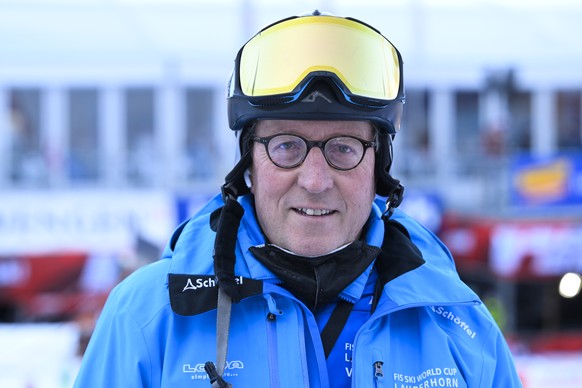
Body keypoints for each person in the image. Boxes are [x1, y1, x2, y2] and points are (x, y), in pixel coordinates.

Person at [74, 11, 522, 388]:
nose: (314, 180)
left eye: (344, 147)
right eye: (286, 146)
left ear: (379, 167)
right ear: (248, 162)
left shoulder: (459, 325)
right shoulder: (149, 316)